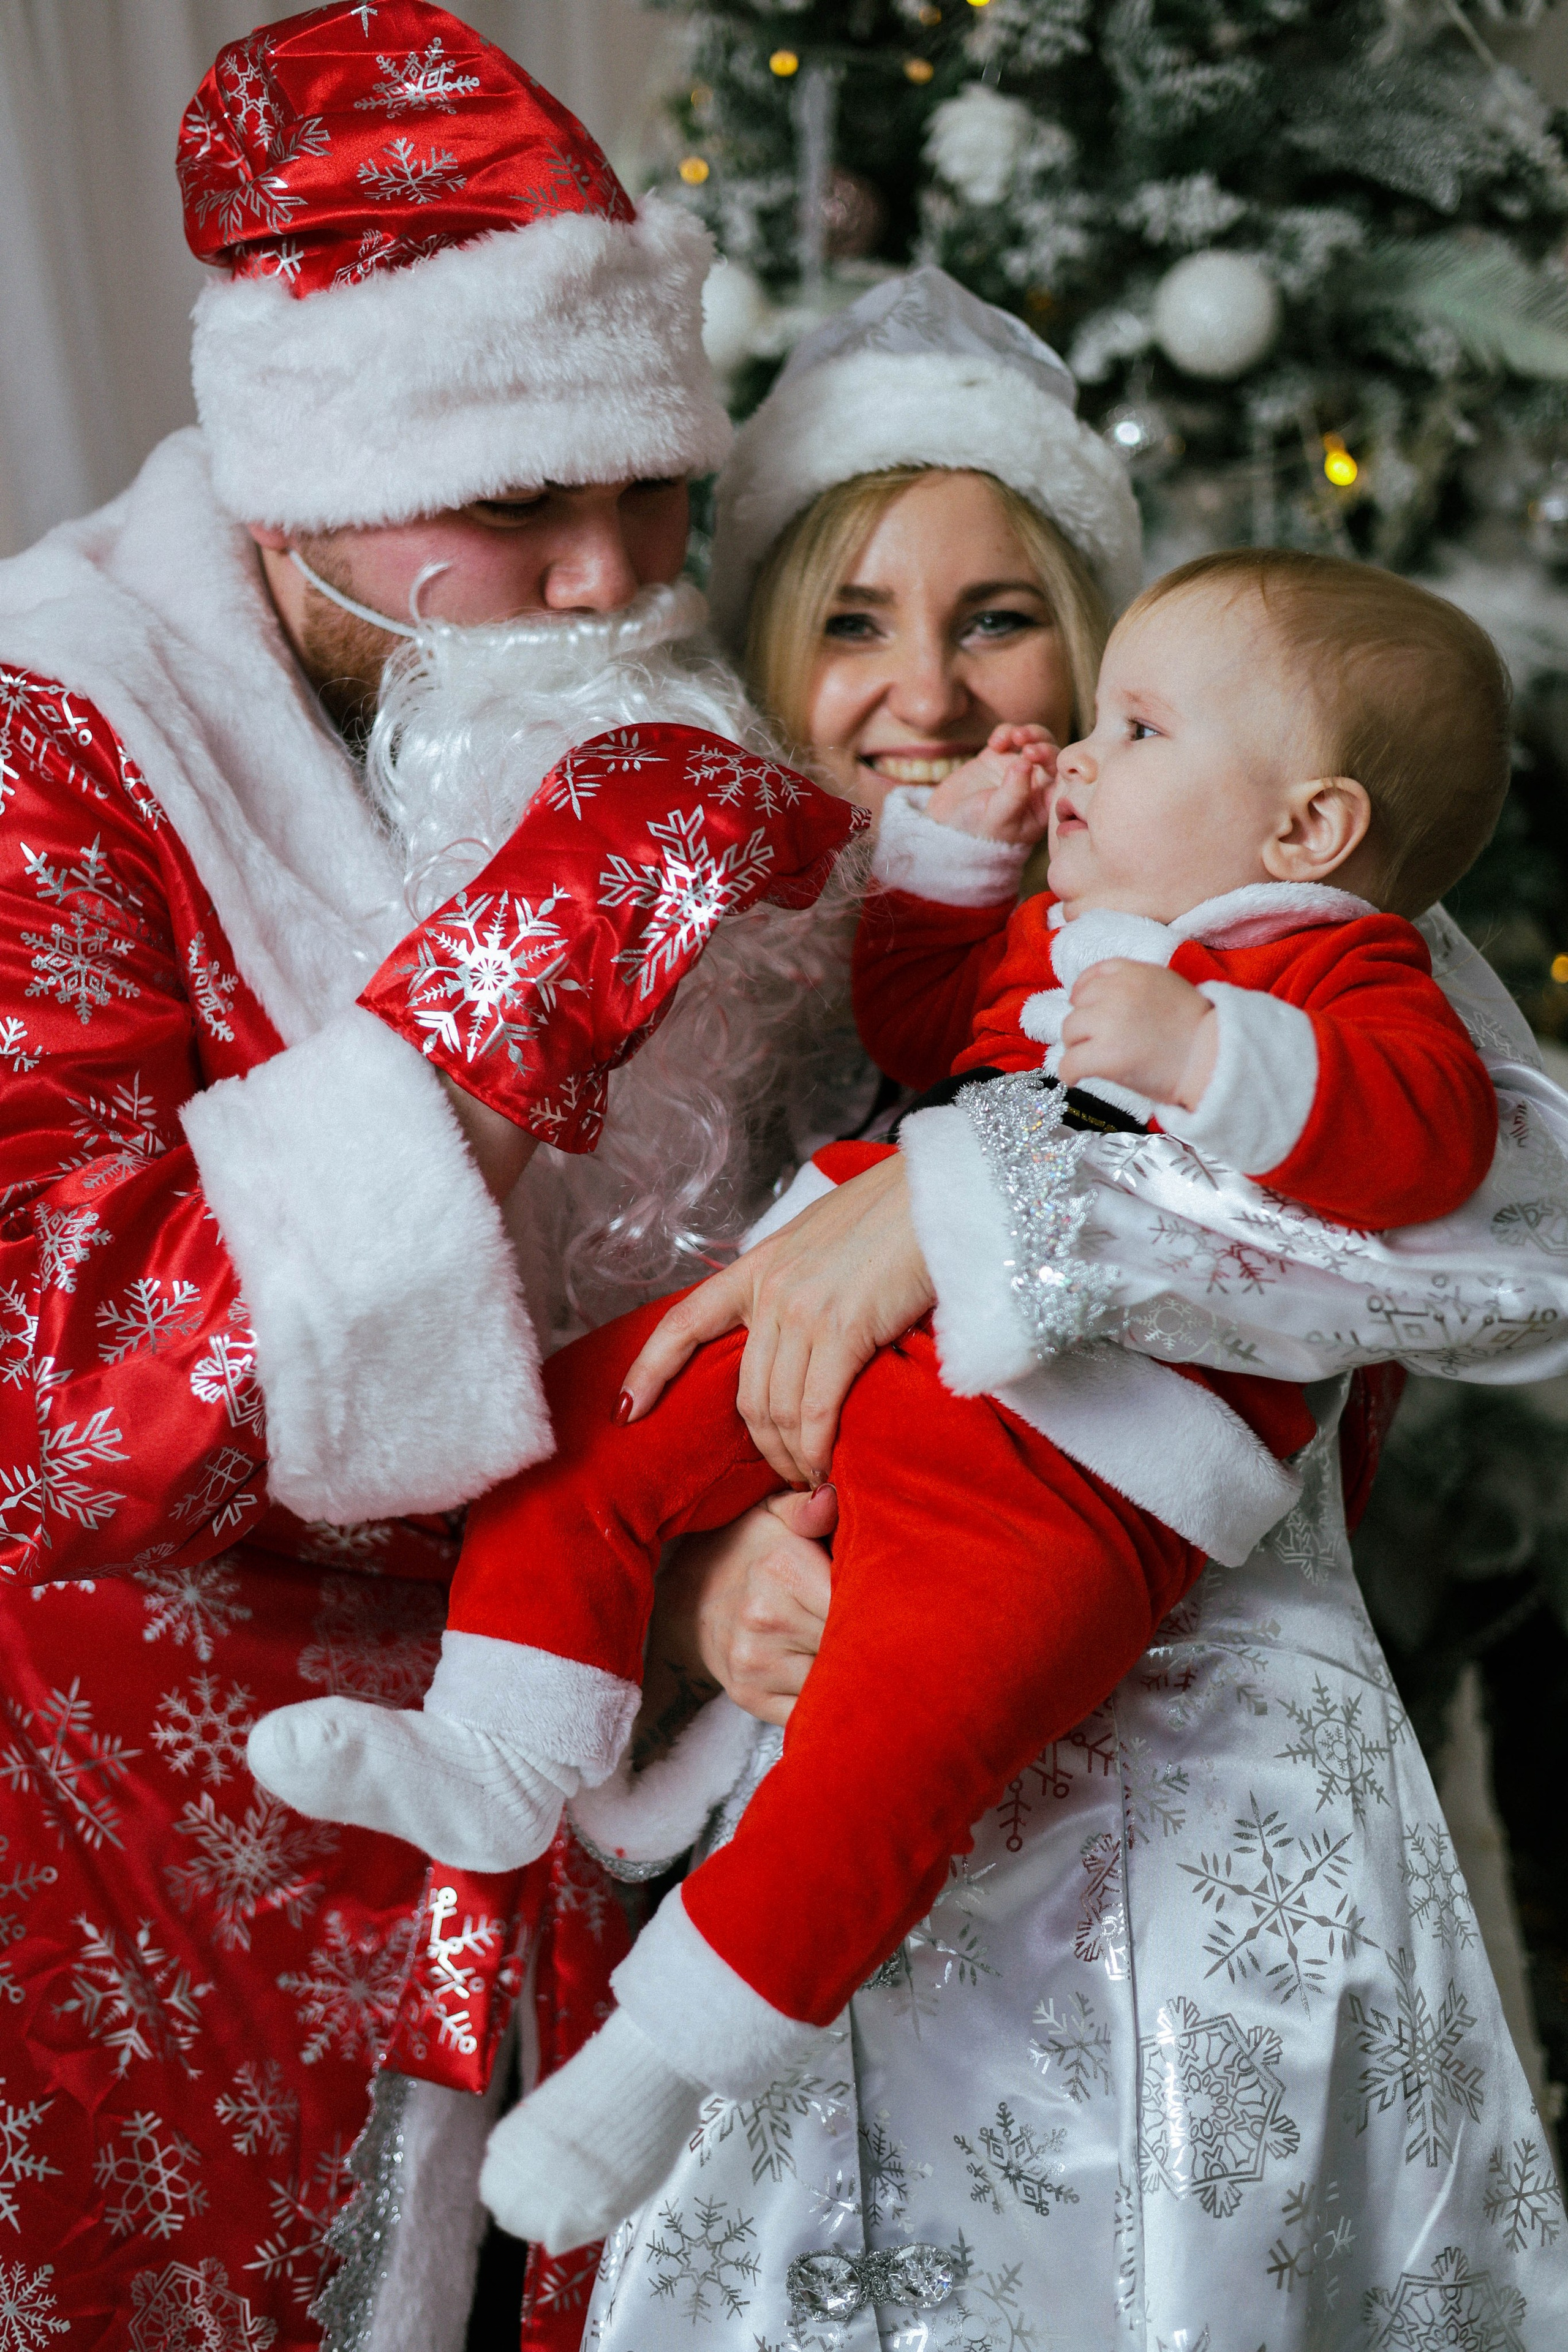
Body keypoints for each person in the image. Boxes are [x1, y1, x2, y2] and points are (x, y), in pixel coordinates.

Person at [469, 274, 1568, 2347]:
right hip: (823, 1895)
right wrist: (700, 1602)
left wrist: (967, 1203)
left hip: (1200, 1873)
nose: (932, 693)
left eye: (997, 619)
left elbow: (1499, 1220)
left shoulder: (1244, 919)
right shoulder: (697, 1005)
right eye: (854, 620)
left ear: (1096, 638)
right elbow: (562, 1440)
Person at [256, 545, 1506, 2256]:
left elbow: (1437, 1143)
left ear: (1305, 829)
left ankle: (657, 2067)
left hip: (1075, 1472)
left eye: (1121, 718)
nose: (1051, 745)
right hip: (838, 1364)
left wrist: (1205, 1059)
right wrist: (952, 861)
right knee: (593, 1418)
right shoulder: (1070, 920)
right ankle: (493, 1748)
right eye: (856, 619)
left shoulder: (1324, 964)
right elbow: (926, 1011)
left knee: (894, 1740)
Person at [0, 7, 862, 2345]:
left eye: (648, 489)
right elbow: (78, 1404)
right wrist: (530, 960)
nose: (607, 583)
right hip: (188, 1885)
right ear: (303, 486)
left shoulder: (657, 690)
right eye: (509, 513)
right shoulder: (49, 747)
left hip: (625, 1827)